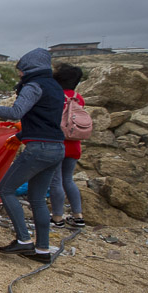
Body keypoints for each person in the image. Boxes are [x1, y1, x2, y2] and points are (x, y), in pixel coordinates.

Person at [0, 48, 65, 262]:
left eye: (20, 70)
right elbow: (45, 119)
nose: (19, 74)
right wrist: (21, 135)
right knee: (37, 198)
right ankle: (42, 250)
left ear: (29, 68)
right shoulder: (55, 87)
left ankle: (23, 240)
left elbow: (15, 112)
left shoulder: (34, 85)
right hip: (57, 147)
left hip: (38, 149)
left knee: (5, 188)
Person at [49, 63, 86, 228]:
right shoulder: (78, 98)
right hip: (74, 144)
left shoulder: (55, 96)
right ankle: (78, 215)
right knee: (68, 180)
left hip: (57, 143)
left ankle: (57, 217)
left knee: (55, 181)